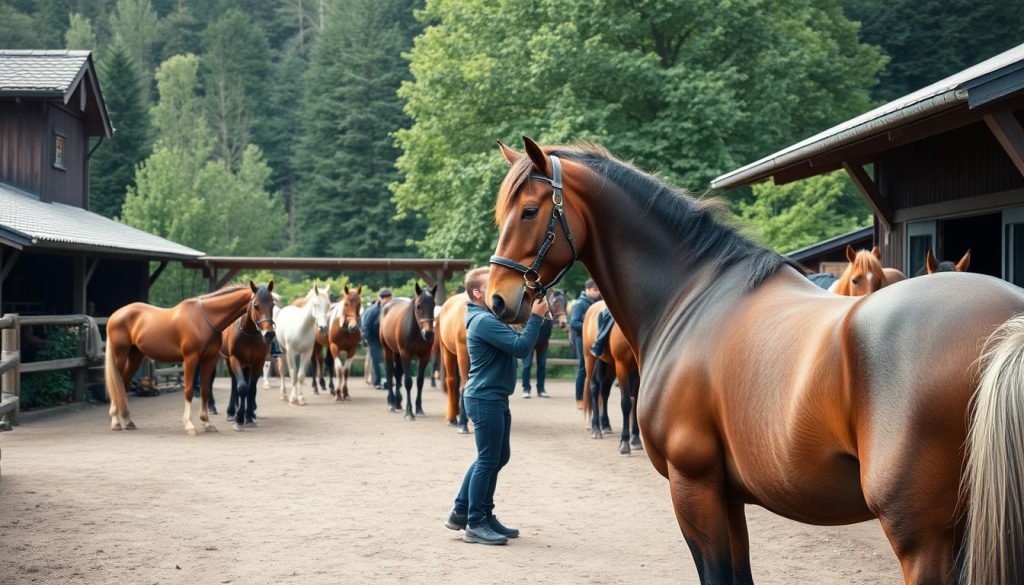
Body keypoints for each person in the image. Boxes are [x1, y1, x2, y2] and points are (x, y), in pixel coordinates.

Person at [446, 267, 549, 545]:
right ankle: (475, 522)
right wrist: (537, 317)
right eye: (489, 284)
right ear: (478, 293)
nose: (496, 287)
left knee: (495, 457)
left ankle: (465, 511)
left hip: (492, 397)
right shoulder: (482, 321)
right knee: (489, 459)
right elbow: (521, 347)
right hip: (485, 399)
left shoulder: (486, 316)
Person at [568, 279, 600, 409]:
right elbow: (574, 323)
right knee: (583, 368)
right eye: (595, 290)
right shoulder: (580, 304)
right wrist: (590, 327)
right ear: (587, 289)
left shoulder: (595, 303)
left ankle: (591, 397)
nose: (597, 293)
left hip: (592, 339)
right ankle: (579, 398)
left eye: (598, 290)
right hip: (581, 339)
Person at [361, 288, 392, 389]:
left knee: (388, 360)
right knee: (376, 360)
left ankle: (388, 380)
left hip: (387, 339)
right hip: (374, 338)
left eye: (389, 298)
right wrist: (368, 339)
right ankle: (377, 382)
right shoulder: (372, 310)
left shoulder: (391, 308)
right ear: (381, 299)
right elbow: (366, 325)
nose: (388, 300)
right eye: (386, 298)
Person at [520, 316, 553, 398]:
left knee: (542, 365)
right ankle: (526, 389)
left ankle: (541, 389)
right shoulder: (530, 306)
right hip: (529, 340)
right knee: (527, 365)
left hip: (543, 342)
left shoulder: (547, 308)